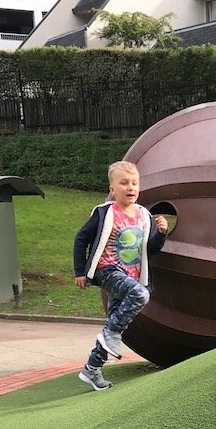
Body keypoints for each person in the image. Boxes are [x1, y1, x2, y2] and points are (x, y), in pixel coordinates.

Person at [73, 160, 168, 391]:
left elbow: (151, 249)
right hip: (108, 271)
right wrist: (80, 271)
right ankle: (111, 335)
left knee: (117, 319)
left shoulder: (144, 216)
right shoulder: (105, 213)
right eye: (124, 183)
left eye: (134, 183)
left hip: (131, 276)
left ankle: (92, 368)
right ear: (112, 190)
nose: (130, 187)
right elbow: (81, 239)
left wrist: (162, 233)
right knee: (140, 295)